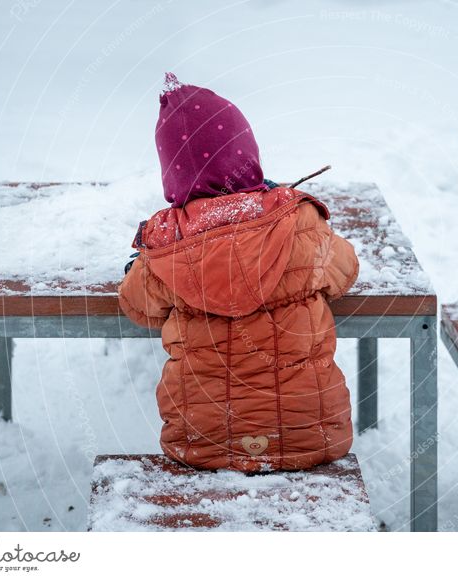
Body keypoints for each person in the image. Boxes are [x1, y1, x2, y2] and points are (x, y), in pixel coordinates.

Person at [118, 74, 359, 471]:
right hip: (312, 436)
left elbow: (136, 305)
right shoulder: (298, 223)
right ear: (247, 157)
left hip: (203, 445)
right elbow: (345, 271)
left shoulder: (169, 243)